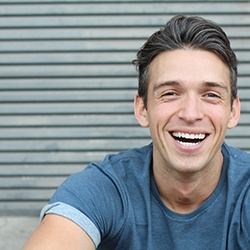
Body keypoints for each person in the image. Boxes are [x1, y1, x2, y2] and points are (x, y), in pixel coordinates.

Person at [24, 15, 249, 250]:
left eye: (211, 94)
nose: (191, 114)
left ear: (233, 111)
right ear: (142, 109)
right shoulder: (104, 188)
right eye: (170, 93)